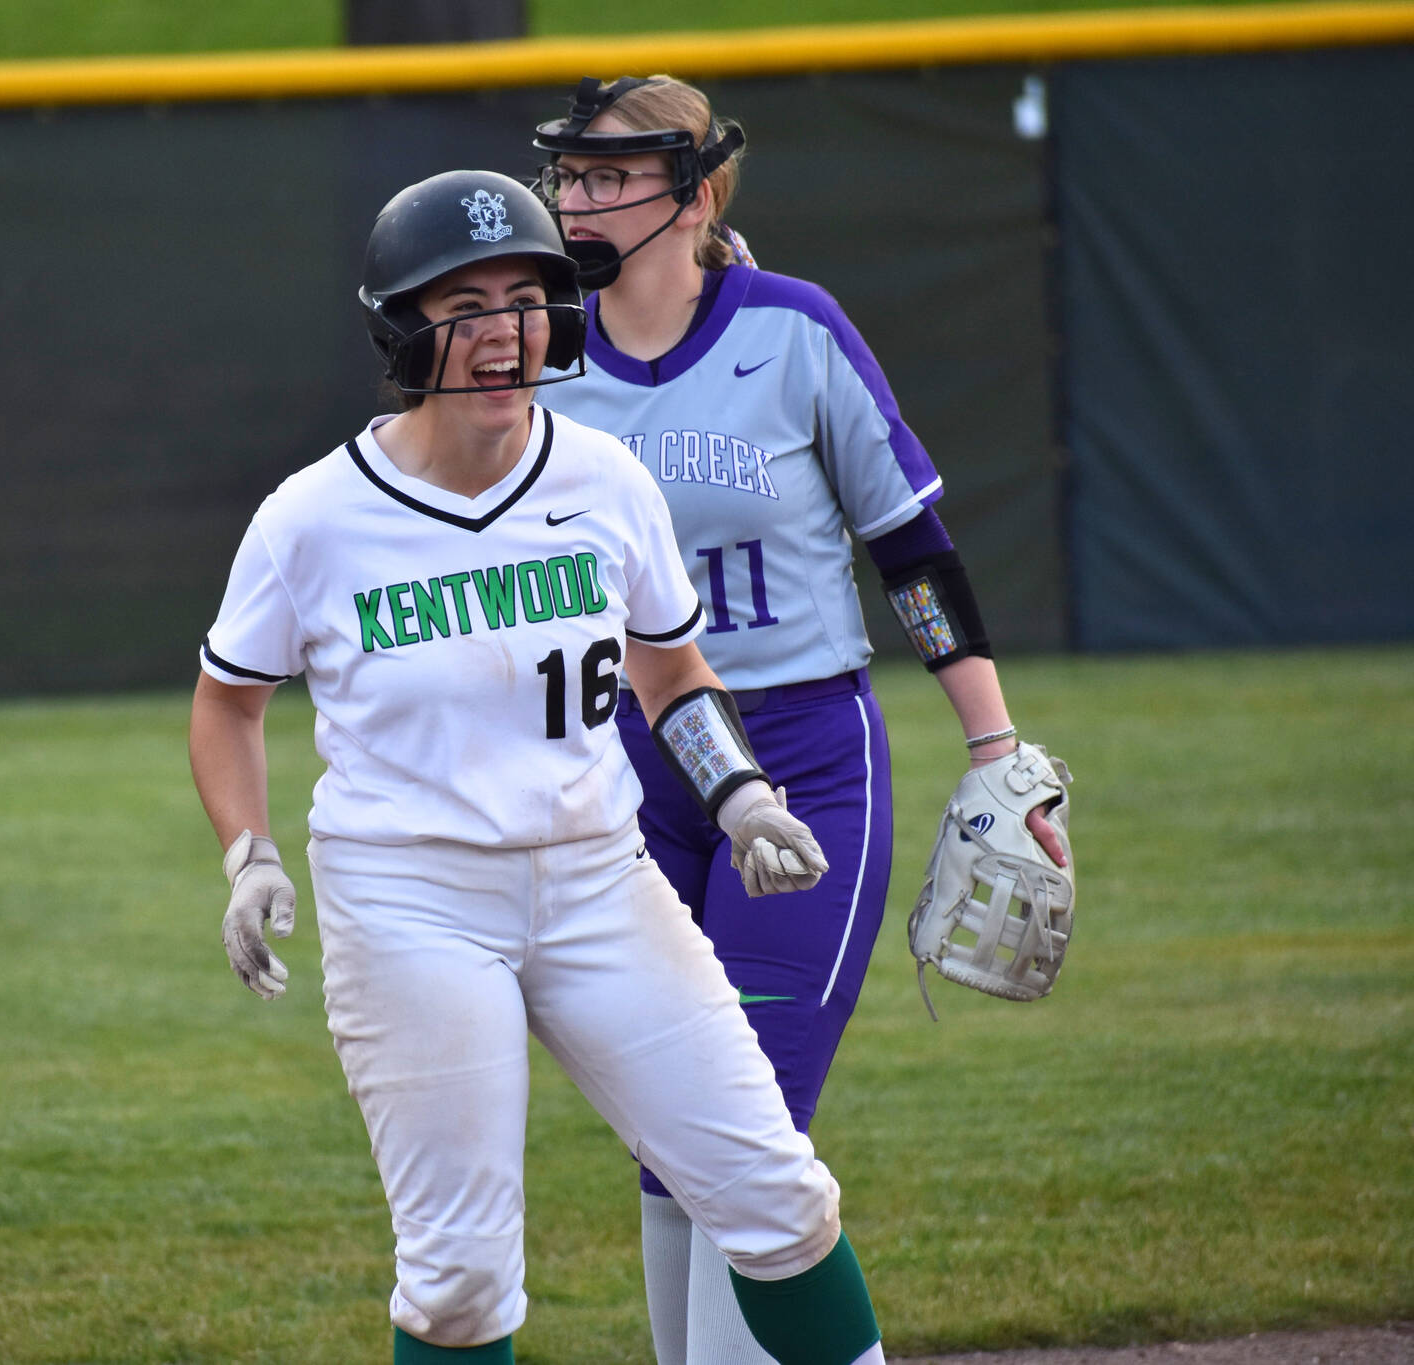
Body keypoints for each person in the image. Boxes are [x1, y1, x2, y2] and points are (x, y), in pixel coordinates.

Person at [187, 168, 890, 1365]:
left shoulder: (602, 477)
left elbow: (671, 672)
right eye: (463, 306)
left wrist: (739, 793)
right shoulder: (312, 517)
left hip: (595, 878)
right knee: (459, 1278)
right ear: (401, 330)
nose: (501, 333)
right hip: (410, 899)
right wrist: (247, 855)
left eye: (524, 300)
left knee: (777, 1198)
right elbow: (227, 703)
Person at [527, 76, 1071, 1365]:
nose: (576, 201)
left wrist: (996, 749)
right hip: (629, 765)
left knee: (746, 1111)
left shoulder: (792, 329)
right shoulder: (538, 357)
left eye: (609, 176)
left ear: (693, 196)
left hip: (804, 755)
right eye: (569, 176)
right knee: (669, 1118)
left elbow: (911, 553)